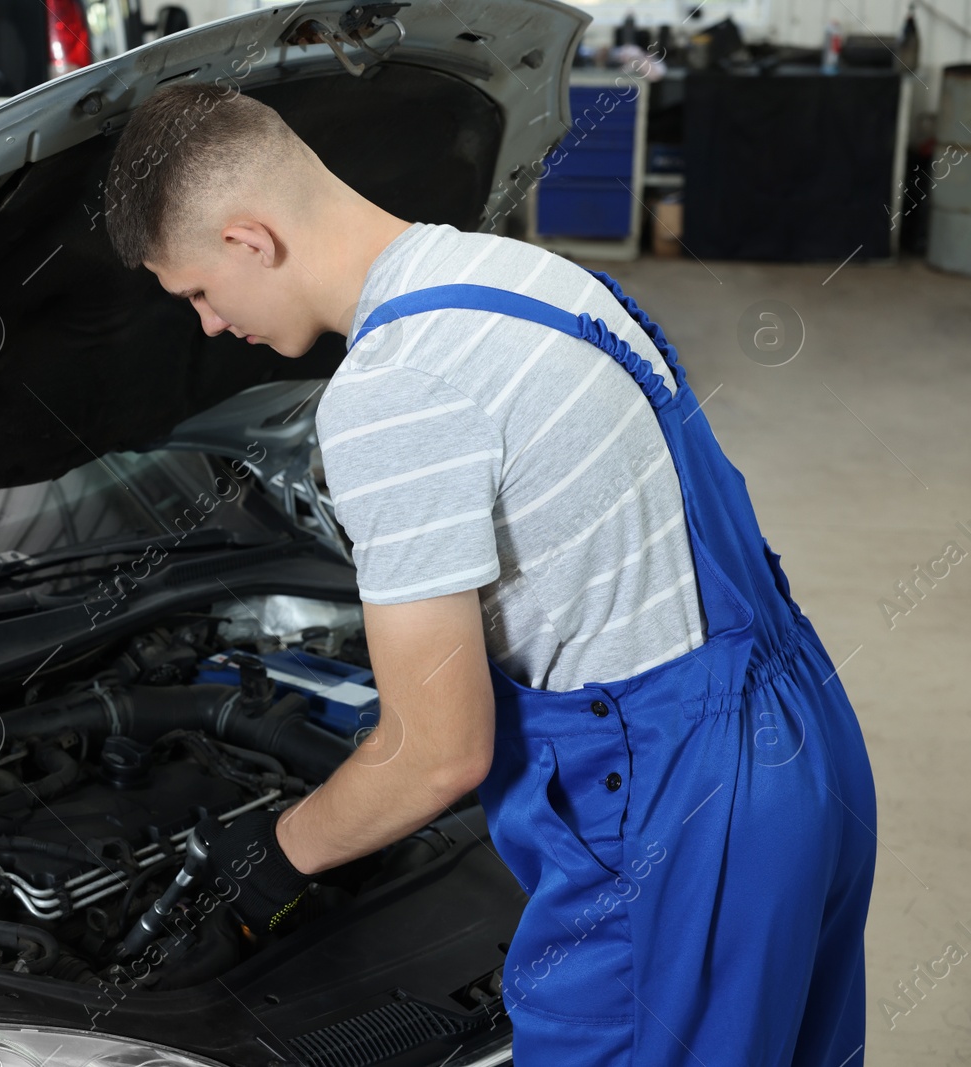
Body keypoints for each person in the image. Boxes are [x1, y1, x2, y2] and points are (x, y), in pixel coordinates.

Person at [101, 82, 878, 1066]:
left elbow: (438, 752)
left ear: (250, 239)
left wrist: (268, 859)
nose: (208, 325)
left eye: (198, 292)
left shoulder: (392, 391)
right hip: (801, 748)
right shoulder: (523, 278)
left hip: (673, 826)